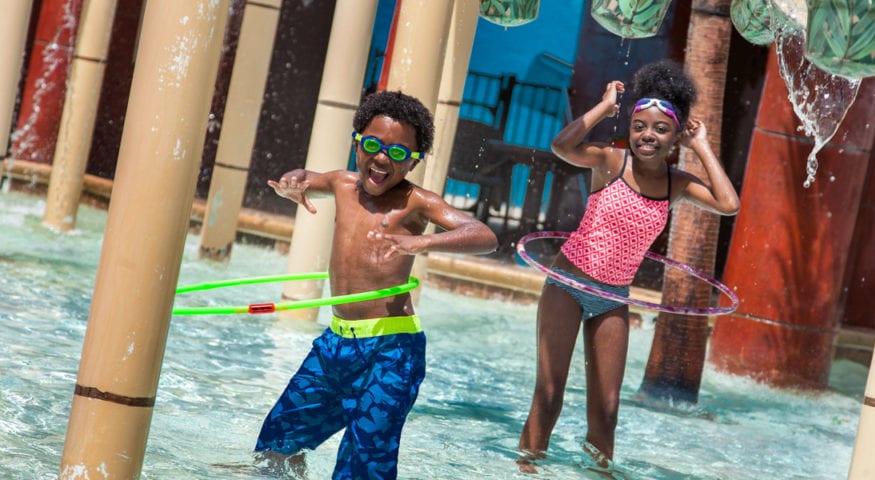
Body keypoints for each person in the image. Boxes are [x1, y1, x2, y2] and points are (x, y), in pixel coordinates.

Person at [255, 90, 498, 479]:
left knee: (364, 468)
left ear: (414, 160)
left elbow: (483, 234)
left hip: (391, 351)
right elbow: (306, 178)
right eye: (373, 145)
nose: (382, 158)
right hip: (335, 345)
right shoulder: (341, 183)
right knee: (275, 446)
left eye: (399, 153)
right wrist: (293, 181)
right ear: (357, 142)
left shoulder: (417, 202)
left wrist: (424, 240)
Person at [517, 60, 740, 469]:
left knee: (608, 408)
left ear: (675, 137)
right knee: (549, 394)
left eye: (660, 129)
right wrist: (604, 107)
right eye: (639, 126)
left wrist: (702, 146)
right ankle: (526, 469)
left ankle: (598, 474)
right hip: (567, 284)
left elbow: (729, 205)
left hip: (613, 297)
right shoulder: (610, 162)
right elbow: (562, 147)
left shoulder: (678, 184)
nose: (647, 136)